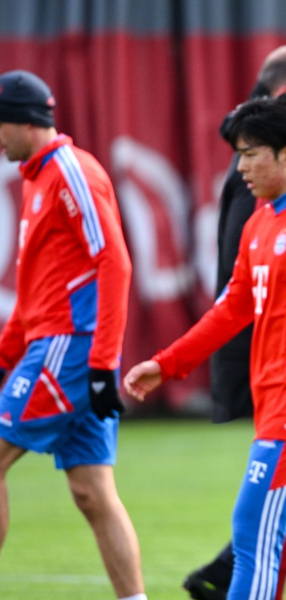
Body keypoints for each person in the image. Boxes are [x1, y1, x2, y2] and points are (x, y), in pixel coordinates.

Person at [124, 94, 286, 600]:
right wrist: (167, 364)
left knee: (252, 537)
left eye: (250, 153)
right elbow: (232, 310)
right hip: (280, 404)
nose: (240, 166)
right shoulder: (261, 221)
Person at [185, 45, 286, 600]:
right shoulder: (262, 190)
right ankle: (230, 578)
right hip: (285, 378)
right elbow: (241, 290)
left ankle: (229, 577)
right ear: (285, 98)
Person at [0, 70, 145, 600]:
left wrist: (104, 361)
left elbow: (115, 262)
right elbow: (36, 284)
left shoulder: (70, 172)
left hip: (71, 348)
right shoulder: (38, 179)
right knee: (91, 490)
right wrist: (6, 353)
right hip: (59, 346)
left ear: (24, 119)